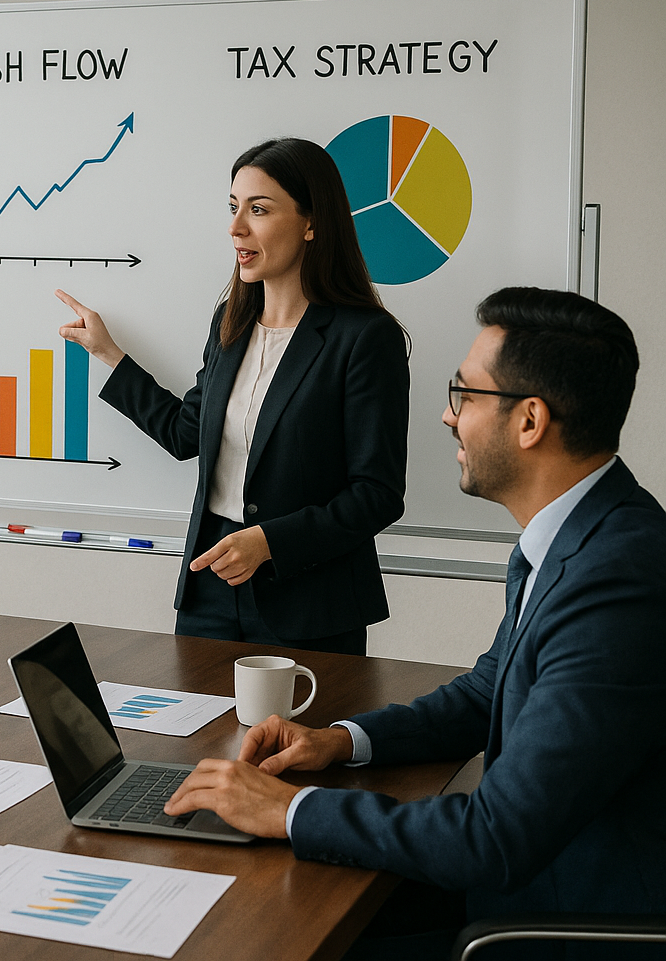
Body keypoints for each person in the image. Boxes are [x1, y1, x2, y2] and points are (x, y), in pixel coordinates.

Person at [164, 288, 666, 957]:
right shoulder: (580, 538)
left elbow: (495, 836)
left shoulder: (618, 579)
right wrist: (340, 740)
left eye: (465, 394)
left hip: (553, 925)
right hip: (522, 888)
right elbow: (488, 691)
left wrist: (287, 809)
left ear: (530, 421)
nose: (447, 416)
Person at [57, 137, 409, 655]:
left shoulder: (365, 338)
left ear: (311, 223)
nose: (235, 227)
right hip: (210, 589)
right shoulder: (232, 322)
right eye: (233, 207)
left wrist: (269, 542)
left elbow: (377, 494)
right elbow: (185, 434)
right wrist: (109, 354)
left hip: (307, 602)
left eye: (258, 209)